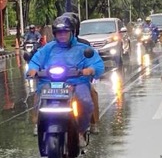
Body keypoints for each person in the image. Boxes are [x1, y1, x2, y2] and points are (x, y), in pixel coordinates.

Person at [26, 15, 104, 147]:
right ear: (55, 34)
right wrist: (32, 70)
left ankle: (80, 131)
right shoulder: (47, 48)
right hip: (50, 82)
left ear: (72, 32)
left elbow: (97, 63)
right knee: (38, 95)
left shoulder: (82, 48)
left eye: (65, 32)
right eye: (59, 33)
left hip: (77, 82)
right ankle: (38, 122)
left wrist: (90, 70)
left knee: (85, 101)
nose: (62, 35)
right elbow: (35, 61)